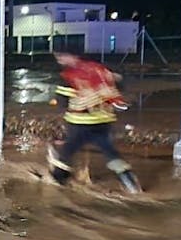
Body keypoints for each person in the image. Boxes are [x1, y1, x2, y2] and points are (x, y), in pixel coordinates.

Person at [47, 48, 140, 194]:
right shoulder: (100, 69)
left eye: (61, 57)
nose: (60, 61)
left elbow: (63, 101)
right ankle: (130, 184)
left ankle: (58, 183)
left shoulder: (68, 76)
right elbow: (118, 86)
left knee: (66, 152)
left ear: (71, 55)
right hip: (104, 121)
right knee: (110, 152)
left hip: (81, 122)